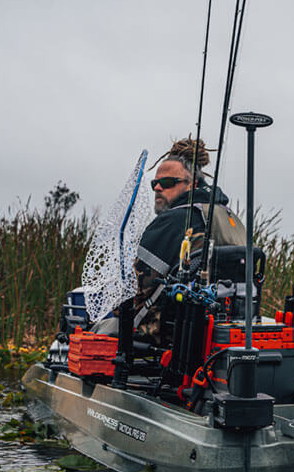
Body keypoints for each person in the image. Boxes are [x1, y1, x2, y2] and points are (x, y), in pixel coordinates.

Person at [93, 137, 246, 343]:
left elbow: (132, 293)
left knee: (97, 328)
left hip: (168, 337)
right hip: (226, 332)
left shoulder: (171, 222)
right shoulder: (229, 219)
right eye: (154, 183)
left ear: (192, 185)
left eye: (167, 183)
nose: (158, 188)